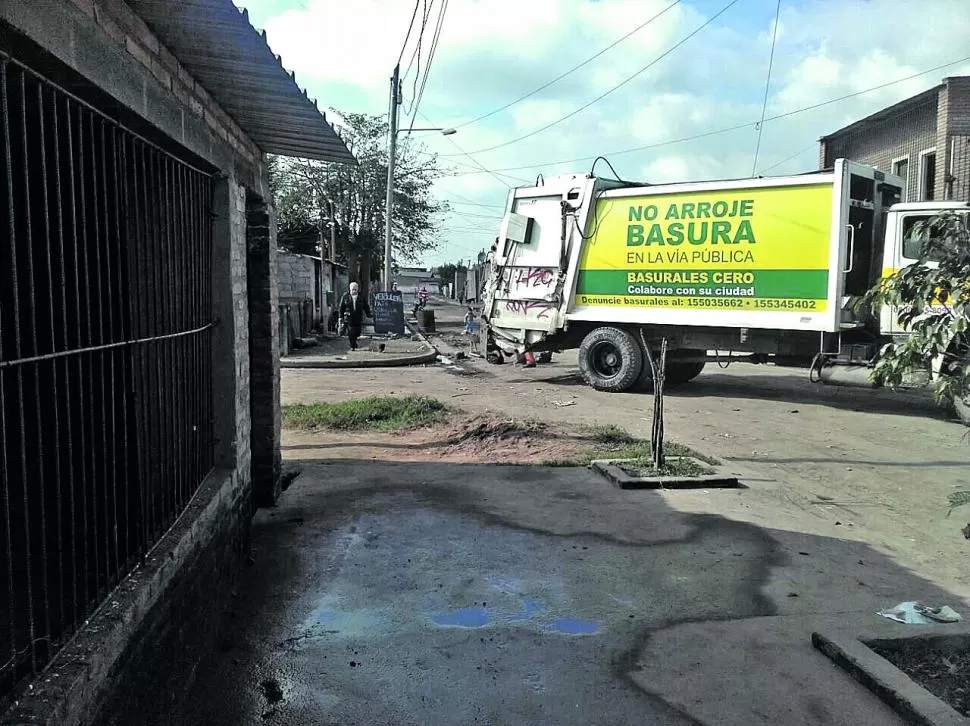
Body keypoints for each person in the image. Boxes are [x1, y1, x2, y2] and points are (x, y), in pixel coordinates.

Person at [338, 281, 372, 351]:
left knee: (357, 332)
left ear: (357, 289)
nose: (354, 291)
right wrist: (340, 317)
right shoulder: (345, 296)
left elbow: (366, 306)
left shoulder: (361, 296)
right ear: (350, 289)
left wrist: (369, 314)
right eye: (352, 289)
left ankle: (354, 342)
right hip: (349, 317)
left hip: (358, 317)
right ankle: (352, 346)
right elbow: (341, 307)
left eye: (355, 289)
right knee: (350, 332)